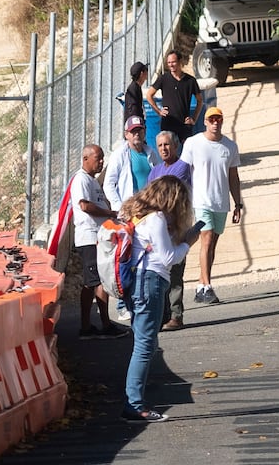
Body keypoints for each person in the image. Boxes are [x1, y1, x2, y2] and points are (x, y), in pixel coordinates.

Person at [119, 176, 201, 423]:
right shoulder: (155, 219)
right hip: (150, 282)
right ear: (172, 198)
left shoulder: (140, 216)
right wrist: (188, 241)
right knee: (144, 346)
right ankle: (134, 405)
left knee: (146, 343)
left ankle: (135, 399)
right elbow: (168, 258)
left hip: (139, 283)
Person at [180, 106, 243, 304]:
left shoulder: (230, 146)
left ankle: (201, 285)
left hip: (221, 202)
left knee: (212, 243)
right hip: (201, 201)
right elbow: (184, 170)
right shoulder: (193, 143)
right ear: (205, 122)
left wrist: (238, 203)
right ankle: (207, 286)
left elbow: (233, 176)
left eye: (218, 119)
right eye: (211, 119)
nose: (215, 122)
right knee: (206, 239)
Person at [68, 145, 127, 340]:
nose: (101, 162)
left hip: (98, 236)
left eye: (102, 158)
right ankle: (104, 324)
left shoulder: (91, 181)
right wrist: (109, 213)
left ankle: (89, 326)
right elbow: (84, 205)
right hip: (89, 237)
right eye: (98, 158)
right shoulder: (81, 180)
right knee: (98, 281)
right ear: (86, 159)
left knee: (92, 281)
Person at [103, 116, 158, 320]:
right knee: (126, 258)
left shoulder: (150, 153)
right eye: (133, 131)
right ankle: (122, 304)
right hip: (129, 215)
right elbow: (109, 184)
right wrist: (120, 209)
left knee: (146, 255)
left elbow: (158, 178)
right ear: (126, 134)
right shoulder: (120, 155)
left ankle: (142, 299)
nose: (137, 134)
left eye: (140, 130)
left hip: (149, 213)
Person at [148, 131, 193, 330]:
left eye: (167, 145)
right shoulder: (154, 171)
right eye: (160, 146)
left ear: (175, 146)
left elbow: (165, 196)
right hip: (158, 229)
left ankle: (176, 314)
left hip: (176, 227)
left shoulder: (182, 168)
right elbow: (149, 198)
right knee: (160, 272)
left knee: (175, 273)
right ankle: (162, 315)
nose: (164, 149)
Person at [145, 49, 204, 147]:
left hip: (184, 124)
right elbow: (149, 95)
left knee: (188, 150)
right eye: (168, 62)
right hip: (168, 123)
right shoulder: (163, 79)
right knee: (169, 151)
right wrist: (159, 111)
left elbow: (200, 100)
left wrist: (194, 119)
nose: (171, 65)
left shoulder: (190, 81)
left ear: (180, 62)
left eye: (173, 62)